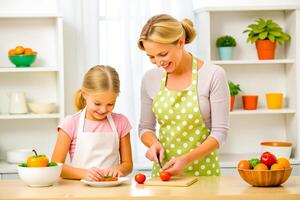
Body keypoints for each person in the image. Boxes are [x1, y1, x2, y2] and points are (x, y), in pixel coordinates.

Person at [137, 14, 230, 177]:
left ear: (180, 42)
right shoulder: (150, 79)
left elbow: (219, 133)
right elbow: (145, 128)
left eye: (163, 54)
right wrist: (153, 144)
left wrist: (186, 159)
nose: (158, 63)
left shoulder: (213, 75)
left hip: (204, 174)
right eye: (151, 57)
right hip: (164, 175)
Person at [51, 65, 133, 181]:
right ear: (85, 94)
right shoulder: (70, 123)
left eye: (110, 104)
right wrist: (85, 174)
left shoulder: (121, 122)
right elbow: (55, 166)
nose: (103, 110)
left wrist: (119, 169)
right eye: (97, 104)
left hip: (112, 190)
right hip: (80, 190)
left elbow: (128, 164)